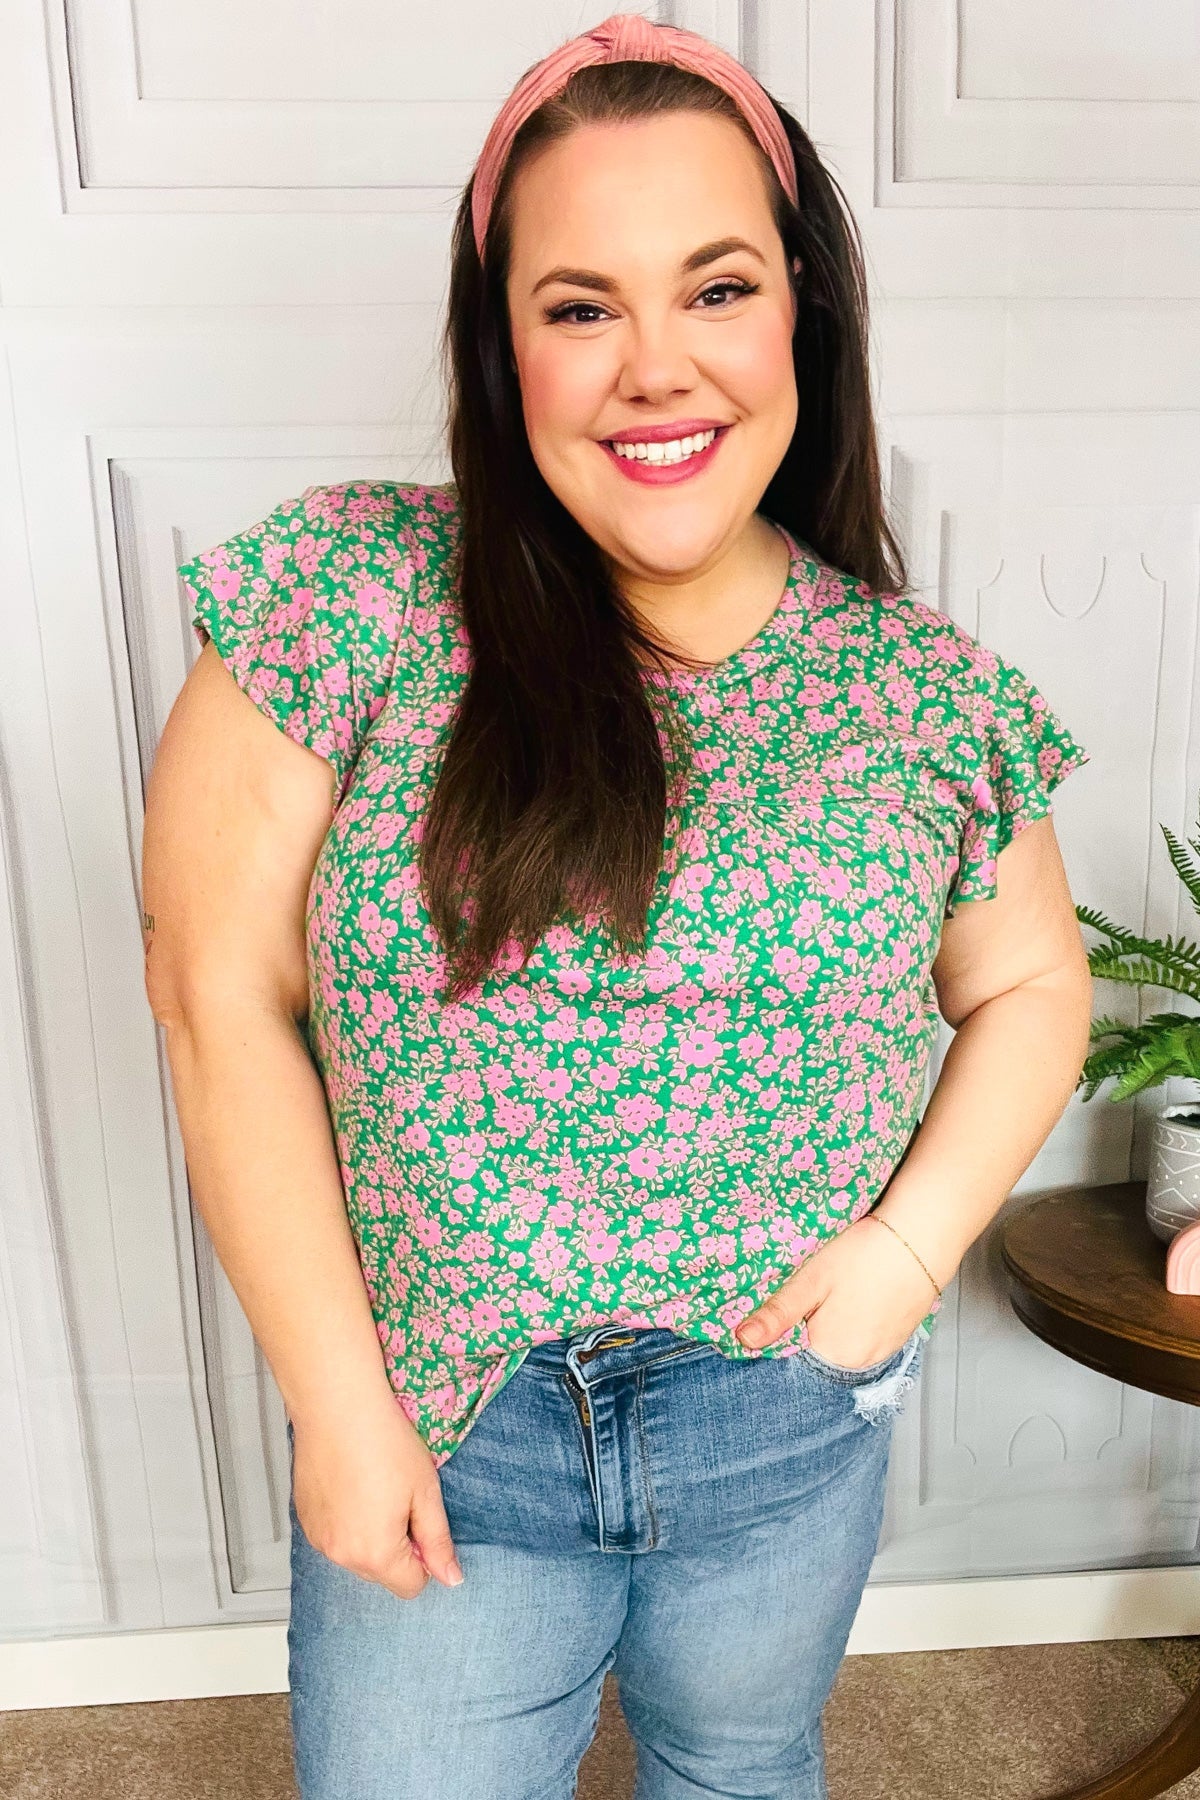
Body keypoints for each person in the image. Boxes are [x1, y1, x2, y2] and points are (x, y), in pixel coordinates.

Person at [140, 13, 1095, 1798]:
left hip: (782, 1427)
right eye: (581, 307)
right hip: (448, 1428)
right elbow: (214, 995)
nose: (658, 366)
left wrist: (900, 1264)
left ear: (803, 309)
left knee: (740, 1766)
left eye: (717, 287)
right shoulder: (347, 596)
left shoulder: (924, 692)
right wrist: (339, 1409)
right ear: (503, 347)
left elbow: (1035, 984)